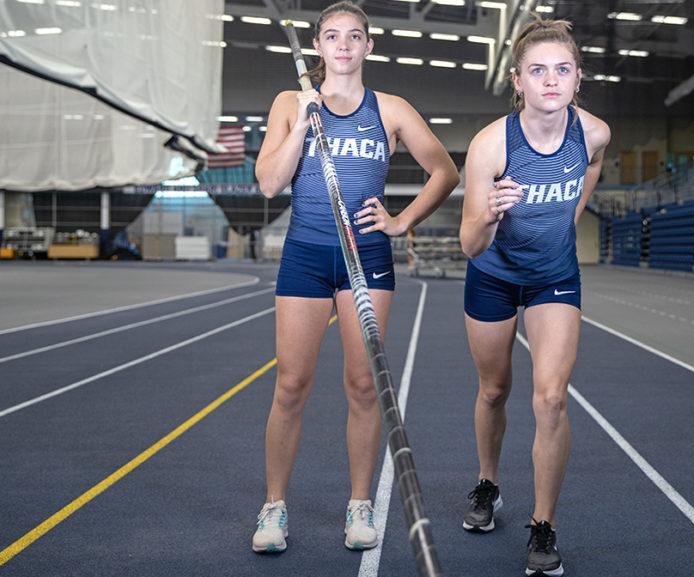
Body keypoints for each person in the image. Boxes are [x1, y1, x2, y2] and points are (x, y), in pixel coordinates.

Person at [251, 0, 459, 554]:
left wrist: (402, 220)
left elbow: (445, 169)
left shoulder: (390, 109)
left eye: (355, 36)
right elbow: (270, 182)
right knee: (291, 385)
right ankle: (274, 508)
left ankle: (359, 503)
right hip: (306, 256)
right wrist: (303, 122)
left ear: (369, 46)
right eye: (332, 35)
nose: (343, 44)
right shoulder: (290, 103)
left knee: (365, 386)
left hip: (366, 257)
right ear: (318, 46)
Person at [458, 17, 610, 577]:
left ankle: (543, 524)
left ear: (577, 79)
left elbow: (591, 165)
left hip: (554, 276)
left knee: (550, 399)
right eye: (538, 71)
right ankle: (488, 483)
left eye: (563, 70)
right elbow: (469, 244)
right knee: (494, 390)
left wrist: (572, 212)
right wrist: (492, 216)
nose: (552, 80)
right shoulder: (490, 145)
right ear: (517, 81)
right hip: (493, 272)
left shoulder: (592, 133)